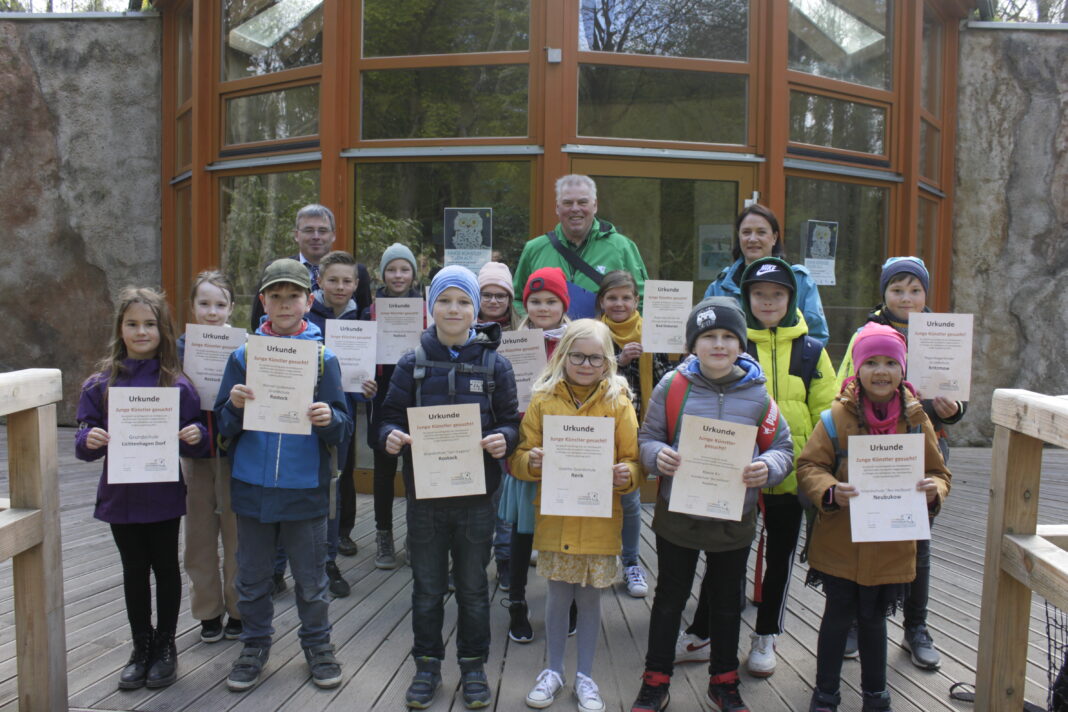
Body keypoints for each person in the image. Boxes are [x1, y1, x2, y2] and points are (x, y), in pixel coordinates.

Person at [630, 297, 793, 712]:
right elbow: (647, 438)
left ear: (741, 345)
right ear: (692, 345)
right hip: (679, 515)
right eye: (708, 337)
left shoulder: (759, 395)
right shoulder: (673, 387)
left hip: (733, 517)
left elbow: (783, 448)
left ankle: (723, 681)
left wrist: (766, 466)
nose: (718, 345)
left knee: (725, 601)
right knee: (669, 597)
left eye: (727, 337)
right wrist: (656, 456)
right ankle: (656, 679)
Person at [379, 265, 521, 709]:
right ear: (431, 306)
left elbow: (511, 422)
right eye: (445, 300)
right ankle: (426, 665)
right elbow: (386, 417)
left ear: (476, 309)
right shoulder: (411, 362)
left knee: (474, 586)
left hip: (478, 499)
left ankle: (473, 666)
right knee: (426, 586)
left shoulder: (496, 364)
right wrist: (388, 436)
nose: (453, 309)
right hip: (426, 497)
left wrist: (506, 439)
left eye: (463, 301)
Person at [214, 258, 354, 692]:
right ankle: (254, 646)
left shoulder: (323, 358)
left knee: (311, 581)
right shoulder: (242, 356)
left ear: (308, 301)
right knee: (251, 579)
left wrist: (328, 416)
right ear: (262, 302)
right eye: (275, 295)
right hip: (252, 487)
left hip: (304, 489)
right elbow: (221, 426)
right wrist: (234, 408)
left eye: (293, 295)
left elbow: (344, 427)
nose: (284, 303)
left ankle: (318, 646)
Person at [797, 323, 951, 712]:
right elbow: (810, 466)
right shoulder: (834, 417)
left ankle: (875, 695)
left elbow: (939, 472)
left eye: (890, 363)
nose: (881, 371)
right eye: (872, 362)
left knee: (874, 619)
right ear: (857, 368)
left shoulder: (917, 420)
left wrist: (935, 489)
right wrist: (830, 489)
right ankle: (826, 692)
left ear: (903, 370)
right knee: (836, 617)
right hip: (841, 541)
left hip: (891, 542)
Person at [836, 256, 966, 668]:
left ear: (927, 293)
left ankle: (916, 627)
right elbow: (843, 385)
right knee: (867, 535)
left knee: (918, 543)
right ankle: (858, 622)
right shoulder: (866, 333)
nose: (906, 298)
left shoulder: (944, 334)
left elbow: (958, 399)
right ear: (884, 292)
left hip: (923, 445)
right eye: (897, 289)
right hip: (873, 449)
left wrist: (952, 409)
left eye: (915, 289)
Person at [75, 287, 208, 690]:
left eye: (149, 324)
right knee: (133, 571)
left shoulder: (178, 384)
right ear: (120, 329)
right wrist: (90, 440)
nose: (141, 331)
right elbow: (83, 440)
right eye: (132, 324)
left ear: (162, 330)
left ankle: (166, 646)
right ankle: (141, 646)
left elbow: (199, 437)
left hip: (163, 494)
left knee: (166, 568)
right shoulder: (100, 384)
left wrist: (194, 433)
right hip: (122, 496)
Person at [509, 319, 641, 712]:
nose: (586, 364)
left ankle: (585, 675)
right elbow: (518, 459)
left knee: (589, 600)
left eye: (595, 358)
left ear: (607, 362)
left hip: (600, 520)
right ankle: (552, 671)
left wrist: (627, 474)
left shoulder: (619, 403)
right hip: (558, 516)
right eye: (578, 356)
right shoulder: (543, 400)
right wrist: (529, 462)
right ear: (563, 356)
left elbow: (634, 461)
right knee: (556, 596)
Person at [498, 267, 572, 644]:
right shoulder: (511, 342)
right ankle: (516, 602)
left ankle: (568, 601)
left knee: (564, 530)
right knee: (523, 531)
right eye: (535, 301)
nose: (543, 308)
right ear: (524, 303)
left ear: (564, 304)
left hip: (570, 451)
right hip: (528, 448)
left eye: (551, 301)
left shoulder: (579, 342)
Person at [594, 270, 676, 598]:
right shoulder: (591, 332)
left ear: (636, 301)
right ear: (601, 301)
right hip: (597, 428)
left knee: (629, 500)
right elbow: (579, 374)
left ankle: (630, 562)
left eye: (626, 297)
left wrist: (674, 354)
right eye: (612, 297)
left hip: (636, 428)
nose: (619, 303)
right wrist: (617, 359)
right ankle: (600, 558)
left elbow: (665, 381)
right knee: (596, 498)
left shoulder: (652, 332)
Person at [306, 250, 379, 598]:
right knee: (302, 486)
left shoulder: (363, 320)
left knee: (335, 485)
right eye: (332, 279)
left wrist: (368, 390)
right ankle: (280, 564)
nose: (340, 286)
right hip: (302, 416)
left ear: (356, 284)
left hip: (342, 417)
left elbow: (362, 385)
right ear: (318, 281)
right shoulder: (305, 315)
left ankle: (328, 560)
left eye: (347, 280)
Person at [177, 271, 243, 644]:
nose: (212, 312)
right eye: (204, 304)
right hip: (197, 457)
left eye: (220, 304)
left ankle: (238, 610)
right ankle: (207, 612)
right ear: (192, 307)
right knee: (199, 537)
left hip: (235, 454)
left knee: (237, 536)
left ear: (232, 308)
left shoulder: (243, 348)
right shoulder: (178, 350)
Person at [512, 174, 648, 319]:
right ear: (557, 208)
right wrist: (531, 324)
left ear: (595, 206)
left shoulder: (622, 247)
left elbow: (644, 301)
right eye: (568, 203)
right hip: (548, 340)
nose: (575, 209)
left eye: (582, 202)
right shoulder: (534, 248)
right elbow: (516, 299)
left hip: (606, 340)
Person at [364, 242, 423, 569]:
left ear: (414, 273)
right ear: (382, 274)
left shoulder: (428, 309)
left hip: (419, 395)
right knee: (384, 471)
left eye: (404, 269)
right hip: (383, 395)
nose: (398, 275)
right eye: (392, 269)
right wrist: (364, 380)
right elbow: (358, 355)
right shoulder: (368, 312)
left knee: (415, 471)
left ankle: (414, 536)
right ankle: (383, 535)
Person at [703, 204, 829, 346]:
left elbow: (817, 335)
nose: (752, 239)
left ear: (774, 237)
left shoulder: (799, 280)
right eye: (746, 232)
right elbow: (705, 334)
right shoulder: (720, 287)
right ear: (739, 236)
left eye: (761, 232)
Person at [248, 204, 372, 332]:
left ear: (333, 235)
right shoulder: (276, 270)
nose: (316, 237)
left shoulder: (357, 272)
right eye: (309, 230)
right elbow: (258, 320)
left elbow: (366, 321)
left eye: (323, 231)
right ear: (296, 235)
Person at [476, 261, 520, 593]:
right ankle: (471, 562)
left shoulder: (522, 334)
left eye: (500, 295)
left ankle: (505, 561)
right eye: (486, 294)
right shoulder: (461, 329)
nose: (493, 301)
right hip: (471, 428)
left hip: (509, 424)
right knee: (476, 503)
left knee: (505, 500)